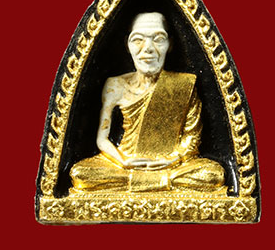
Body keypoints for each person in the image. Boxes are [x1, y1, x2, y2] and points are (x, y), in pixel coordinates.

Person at [70, 12, 225, 193]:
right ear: (127, 45)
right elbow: (102, 139)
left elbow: (192, 138)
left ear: (170, 45)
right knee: (80, 174)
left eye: (158, 39)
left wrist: (173, 160)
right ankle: (158, 182)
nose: (148, 48)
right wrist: (123, 161)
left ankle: (139, 182)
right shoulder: (115, 85)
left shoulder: (183, 85)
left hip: (172, 166)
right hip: (124, 162)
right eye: (138, 40)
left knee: (213, 174)